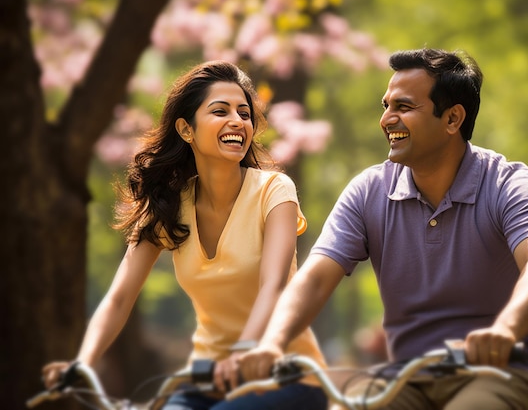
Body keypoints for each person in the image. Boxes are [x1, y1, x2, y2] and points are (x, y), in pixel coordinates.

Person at [239, 48, 528, 410]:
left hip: (506, 373)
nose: (387, 119)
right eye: (386, 106)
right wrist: (272, 342)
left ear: (453, 119)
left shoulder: (508, 183)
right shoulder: (369, 190)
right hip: (409, 378)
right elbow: (314, 279)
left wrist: (506, 329)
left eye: (404, 107)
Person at [41, 61, 327, 410]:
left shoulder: (274, 190)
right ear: (186, 129)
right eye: (220, 111)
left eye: (244, 112)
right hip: (206, 383)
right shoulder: (170, 205)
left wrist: (244, 352)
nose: (238, 120)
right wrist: (83, 363)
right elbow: (120, 297)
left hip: (287, 379)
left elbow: (275, 284)